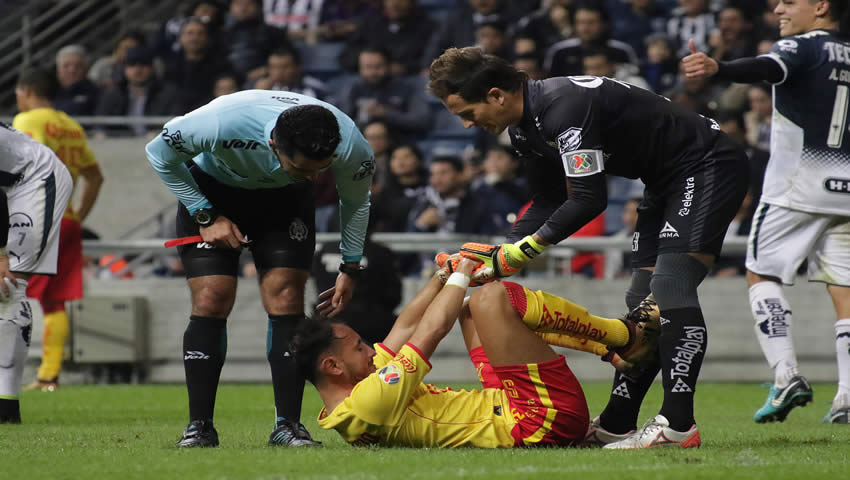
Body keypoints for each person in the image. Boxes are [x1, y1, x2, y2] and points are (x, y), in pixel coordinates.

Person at [428, 46, 749, 448]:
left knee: (670, 287)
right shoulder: (525, 129)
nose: (466, 124)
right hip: (664, 180)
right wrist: (502, 253)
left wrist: (523, 252)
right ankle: (617, 422)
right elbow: (548, 199)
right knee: (641, 305)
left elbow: (588, 198)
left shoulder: (563, 107)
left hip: (707, 165)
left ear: (496, 95)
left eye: (467, 113)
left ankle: (678, 425)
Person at [145, 89, 375, 447]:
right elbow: (157, 153)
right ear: (272, 145)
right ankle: (199, 427)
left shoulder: (351, 146)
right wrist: (204, 214)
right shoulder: (220, 123)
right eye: (301, 168)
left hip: (283, 203)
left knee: (286, 295)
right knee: (212, 297)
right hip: (212, 192)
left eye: (320, 170)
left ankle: (287, 426)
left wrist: (350, 265)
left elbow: (356, 202)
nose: (311, 176)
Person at [682, 0, 850, 425]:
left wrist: (719, 68)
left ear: (821, 6)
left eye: (790, 1)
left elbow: (769, 67)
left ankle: (786, 375)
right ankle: (847, 398)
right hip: (847, 191)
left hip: (797, 187)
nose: (777, 9)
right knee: (846, 291)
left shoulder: (804, 45)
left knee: (761, 274)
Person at [292, 256, 660, 448]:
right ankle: (620, 336)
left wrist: (442, 276)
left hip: (511, 406)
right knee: (493, 297)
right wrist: (463, 272)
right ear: (333, 366)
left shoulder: (357, 395)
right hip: (541, 421)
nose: (371, 350)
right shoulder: (369, 401)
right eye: (359, 347)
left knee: (471, 309)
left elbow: (404, 326)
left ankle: (611, 349)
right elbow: (431, 330)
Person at [13, 69, 104, 392]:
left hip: (34, 217)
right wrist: (78, 214)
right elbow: (95, 177)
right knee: (54, 301)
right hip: (66, 220)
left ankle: (10, 373)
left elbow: (23, 166)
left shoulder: (27, 120)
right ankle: (48, 376)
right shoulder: (72, 126)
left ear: (26, 92)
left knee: (7, 290)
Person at [0, 123, 73, 423]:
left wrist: (2, 253)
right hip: (8, 183)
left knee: (7, 286)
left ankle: (5, 406)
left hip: (35, 178)